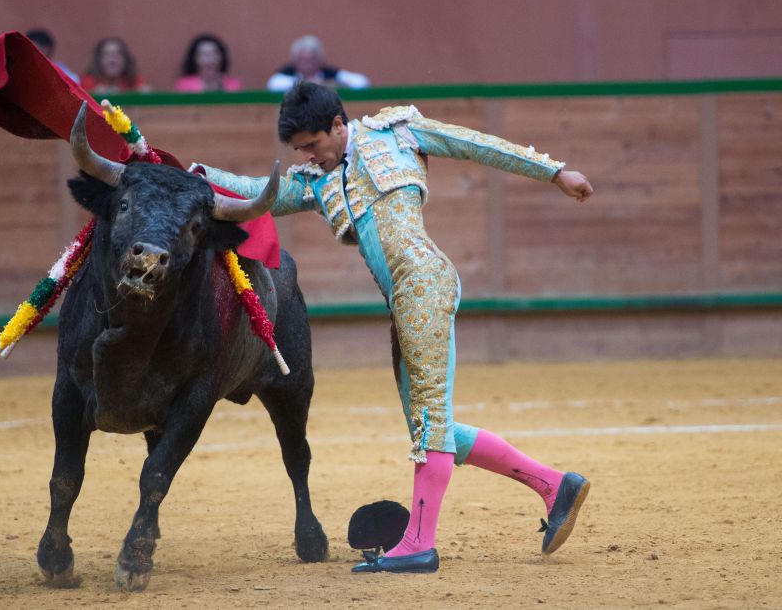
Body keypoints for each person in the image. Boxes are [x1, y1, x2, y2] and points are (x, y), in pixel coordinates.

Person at [196, 82, 593, 574]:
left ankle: (419, 544)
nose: (308, 156)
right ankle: (556, 487)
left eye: (313, 144)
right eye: (299, 149)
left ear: (339, 126)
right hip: (402, 299)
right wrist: (191, 175)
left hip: (424, 283)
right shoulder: (315, 182)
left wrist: (555, 171)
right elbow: (256, 191)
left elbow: (475, 143)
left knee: (429, 425)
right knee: (429, 424)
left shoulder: (397, 133)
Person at [266, 35, 369, 92]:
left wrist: (331, 83)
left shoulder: (330, 73)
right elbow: (273, 84)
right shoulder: (286, 73)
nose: (307, 63)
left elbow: (361, 82)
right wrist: (310, 84)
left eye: (312, 59)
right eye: (303, 59)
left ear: (320, 59)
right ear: (295, 60)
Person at [174, 33, 242, 92]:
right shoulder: (184, 86)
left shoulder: (233, 85)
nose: (209, 59)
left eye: (214, 54)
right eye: (204, 54)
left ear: (222, 57)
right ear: (194, 59)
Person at [80, 37, 151, 94]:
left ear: (125, 59)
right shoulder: (88, 82)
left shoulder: (134, 80)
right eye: (107, 54)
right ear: (99, 60)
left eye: (118, 53)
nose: (113, 58)